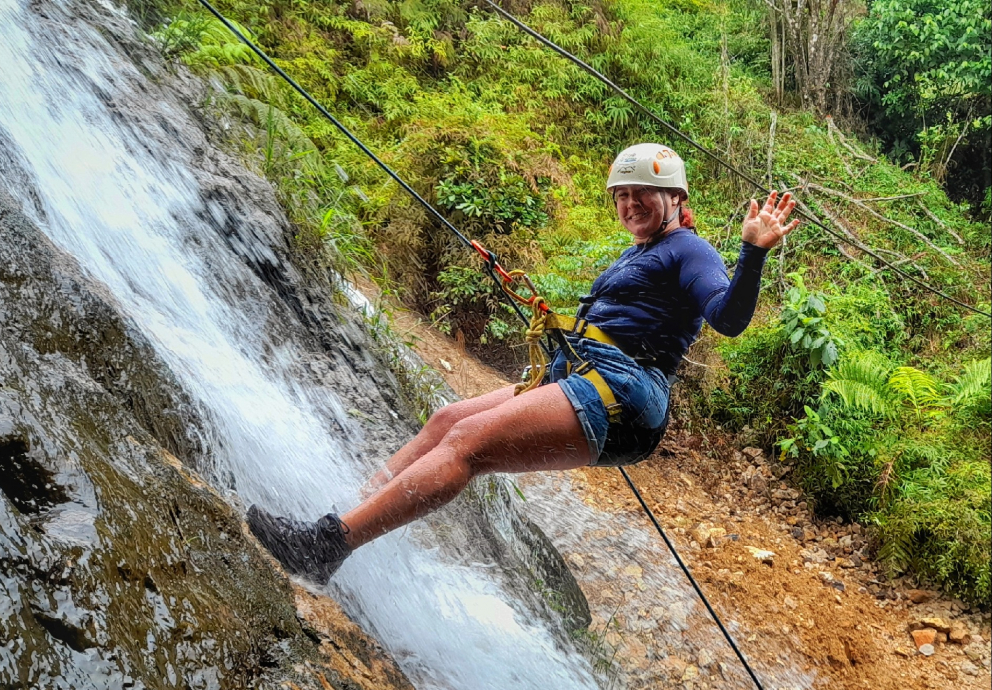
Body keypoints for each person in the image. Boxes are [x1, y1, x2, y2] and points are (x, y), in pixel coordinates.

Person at [247, 142, 800, 584]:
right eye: (621, 195)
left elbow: (726, 318)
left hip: (623, 393)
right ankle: (352, 511)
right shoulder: (642, 251)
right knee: (446, 422)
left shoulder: (691, 251)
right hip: (585, 373)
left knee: (468, 444)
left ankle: (326, 545)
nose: (630, 204)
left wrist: (752, 253)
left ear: (676, 199)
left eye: (644, 194)